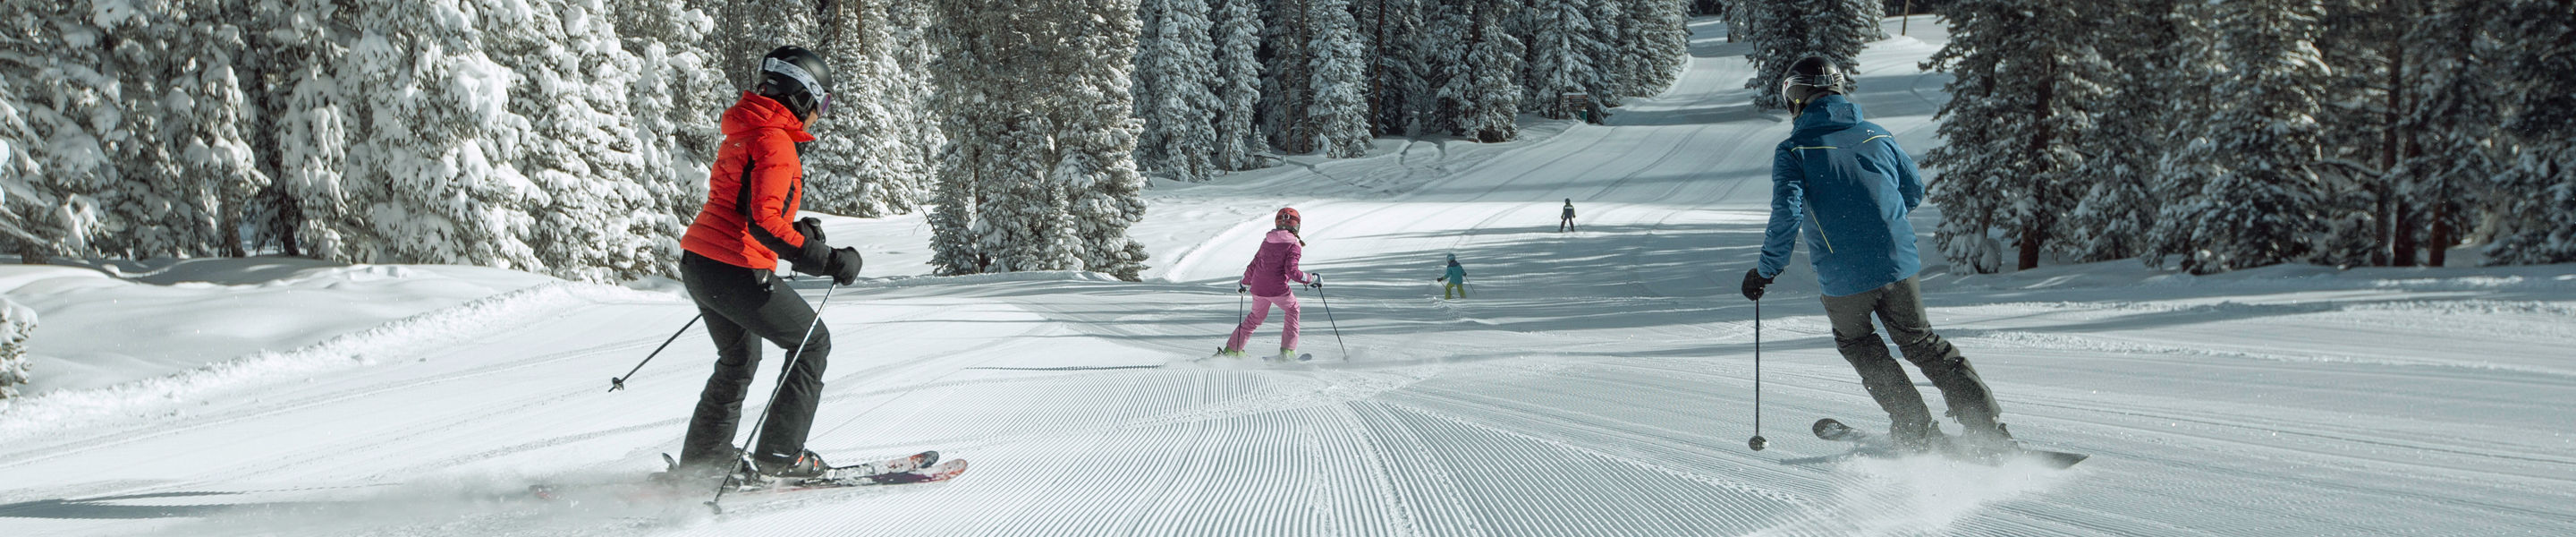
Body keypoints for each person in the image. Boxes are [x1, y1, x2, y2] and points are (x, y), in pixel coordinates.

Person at [1740, 55, 2013, 457]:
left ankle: (1917, 430)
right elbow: (1913, 190)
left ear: (1795, 97)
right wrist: (1879, 221)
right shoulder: (1876, 134)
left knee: (1858, 343)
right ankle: (1988, 428)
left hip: (1844, 276)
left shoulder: (1794, 150)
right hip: (1898, 264)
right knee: (1923, 342)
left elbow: (1787, 213)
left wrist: (1766, 270)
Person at [674, 46, 864, 481]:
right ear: (803, 95)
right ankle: (781, 456)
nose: (819, 116)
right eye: (821, 104)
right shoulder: (776, 141)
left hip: (701, 263)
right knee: (812, 343)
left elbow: (744, 209)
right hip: (735, 266)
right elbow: (762, 226)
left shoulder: (748, 131)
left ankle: (704, 463)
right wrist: (830, 261)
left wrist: (796, 229)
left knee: (738, 359)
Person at [1218, 208, 1319, 362]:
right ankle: (1287, 352)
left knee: (1255, 317)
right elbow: (1292, 271)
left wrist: (1244, 283)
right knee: (1293, 310)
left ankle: (1232, 350)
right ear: (1296, 226)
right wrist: (1311, 279)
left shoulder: (1267, 240)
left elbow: (1254, 264)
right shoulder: (1294, 244)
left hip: (1258, 288)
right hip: (1278, 289)